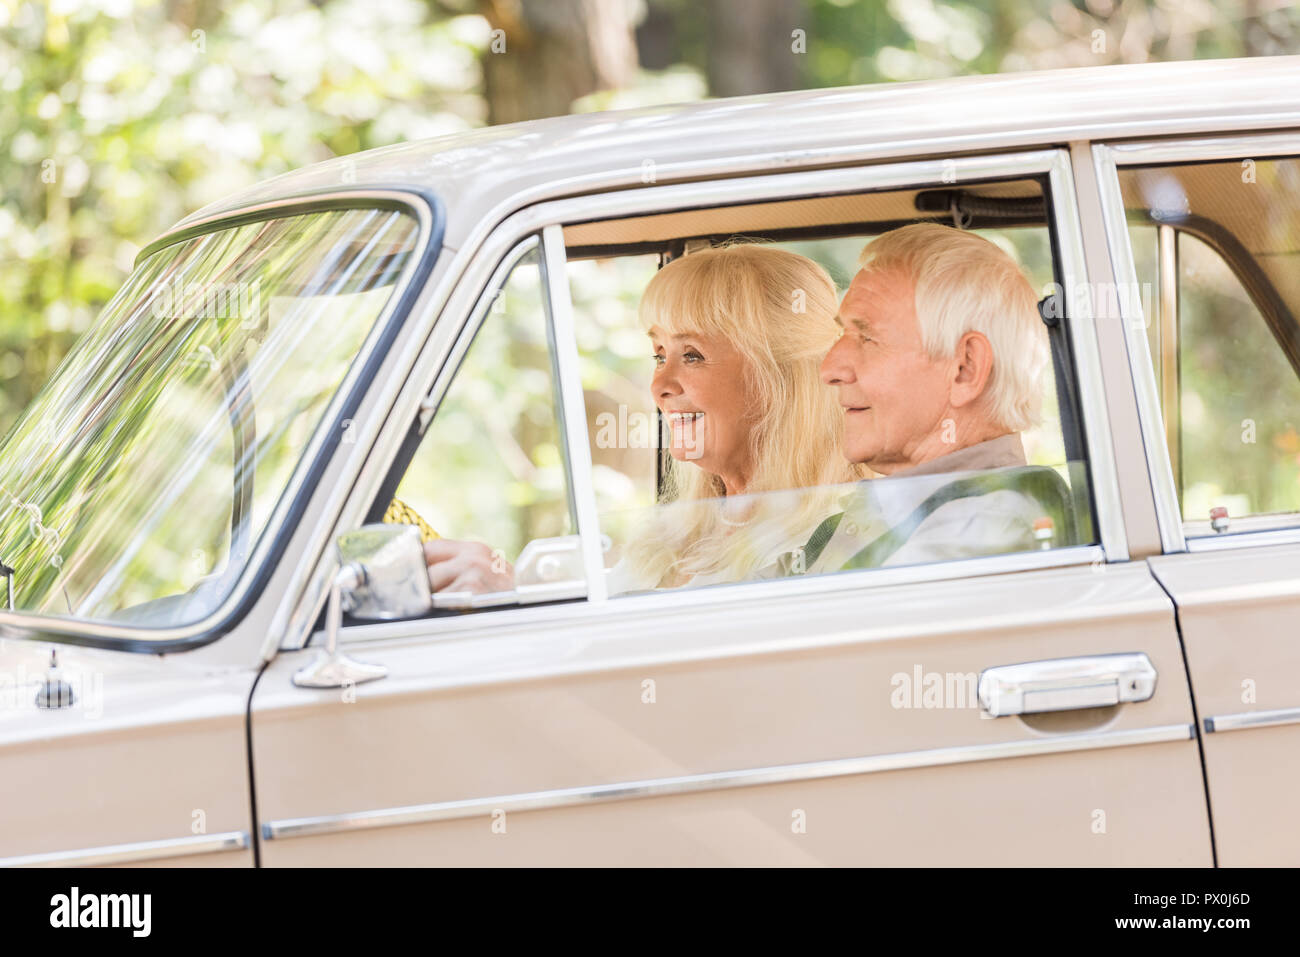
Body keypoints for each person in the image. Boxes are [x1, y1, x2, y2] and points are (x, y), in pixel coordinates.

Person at [423, 242, 865, 596]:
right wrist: (509, 586)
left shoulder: (834, 540)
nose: (659, 386)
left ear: (779, 380)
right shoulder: (686, 530)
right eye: (659, 355)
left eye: (692, 355)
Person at [805, 222, 1059, 573]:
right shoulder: (902, 511)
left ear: (965, 369)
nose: (829, 369)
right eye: (842, 335)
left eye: (867, 338)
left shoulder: (982, 532)